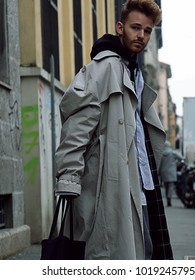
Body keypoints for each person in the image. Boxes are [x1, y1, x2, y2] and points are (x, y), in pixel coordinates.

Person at [55, 0, 173, 260]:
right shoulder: (104, 68)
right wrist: (69, 178)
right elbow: (77, 126)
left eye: (148, 30)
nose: (141, 35)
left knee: (146, 254)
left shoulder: (134, 71)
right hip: (111, 185)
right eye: (135, 28)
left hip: (142, 185)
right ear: (120, 27)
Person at [159, 141, 179, 207]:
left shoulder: (161, 153)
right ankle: (169, 199)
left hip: (164, 172)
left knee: (166, 186)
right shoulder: (173, 153)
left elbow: (159, 164)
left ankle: (168, 199)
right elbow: (181, 158)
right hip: (171, 172)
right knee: (171, 186)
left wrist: (159, 173)